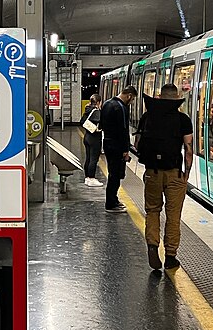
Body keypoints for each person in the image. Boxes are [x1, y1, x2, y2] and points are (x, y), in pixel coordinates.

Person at [136, 83, 194, 270]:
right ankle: (170, 256)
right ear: (177, 98)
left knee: (152, 211)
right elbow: (188, 149)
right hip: (174, 173)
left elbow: (137, 144)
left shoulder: (147, 117)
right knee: (173, 215)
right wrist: (186, 173)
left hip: (152, 173)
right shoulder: (183, 119)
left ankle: (153, 246)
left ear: (159, 97)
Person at [99, 85, 137, 213]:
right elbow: (123, 130)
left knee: (112, 173)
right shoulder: (121, 107)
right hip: (117, 145)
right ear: (129, 96)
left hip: (107, 142)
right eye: (132, 100)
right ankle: (111, 203)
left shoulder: (106, 103)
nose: (131, 103)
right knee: (115, 174)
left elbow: (102, 124)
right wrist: (125, 150)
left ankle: (113, 200)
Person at [79, 94, 104, 187]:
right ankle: (92, 178)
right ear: (98, 102)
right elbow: (100, 122)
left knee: (88, 158)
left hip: (87, 136)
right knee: (94, 159)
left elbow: (82, 121)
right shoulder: (96, 111)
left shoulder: (87, 109)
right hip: (95, 138)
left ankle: (87, 178)